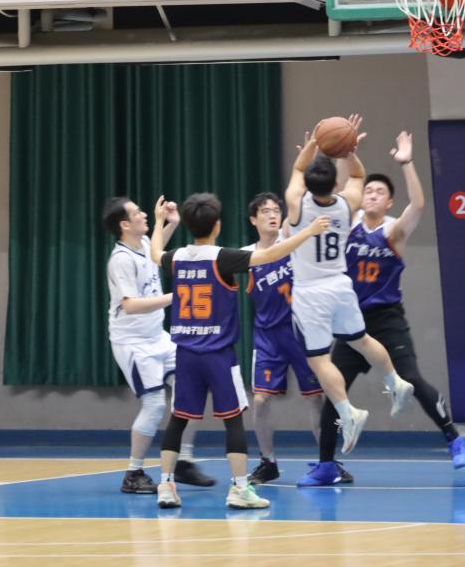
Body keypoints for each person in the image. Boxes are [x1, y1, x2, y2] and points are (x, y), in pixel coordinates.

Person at [304, 131, 465, 487]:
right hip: (352, 321)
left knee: (412, 380)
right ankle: (326, 465)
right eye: (368, 191)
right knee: (334, 390)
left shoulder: (394, 231)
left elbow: (419, 205)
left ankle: (454, 440)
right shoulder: (347, 225)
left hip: (387, 319)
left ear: (390, 201)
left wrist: (406, 163)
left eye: (379, 192)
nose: (371, 195)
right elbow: (344, 186)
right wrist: (345, 153)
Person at [149, 193, 330, 510]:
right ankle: (240, 489)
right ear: (217, 226)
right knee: (233, 421)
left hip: (186, 354)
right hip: (218, 354)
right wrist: (309, 231)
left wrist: (160, 221)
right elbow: (271, 253)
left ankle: (165, 485)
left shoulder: (176, 258)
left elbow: (154, 253)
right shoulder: (223, 257)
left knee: (178, 419)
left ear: (189, 225)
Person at [284, 115, 414, 463]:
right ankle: (394, 381)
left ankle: (348, 410)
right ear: (334, 184)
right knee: (362, 340)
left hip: (311, 292)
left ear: (308, 184)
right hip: (341, 284)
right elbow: (358, 176)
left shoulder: (297, 205)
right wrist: (349, 149)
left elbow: (297, 170)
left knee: (318, 358)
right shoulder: (346, 205)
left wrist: (314, 143)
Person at [102, 196, 214, 494]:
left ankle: (183, 461)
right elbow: (130, 305)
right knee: (154, 405)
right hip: (133, 342)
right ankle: (133, 472)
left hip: (158, 337)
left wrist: (171, 221)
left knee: (192, 389)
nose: (143, 215)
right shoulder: (121, 259)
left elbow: (158, 244)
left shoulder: (142, 244)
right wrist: (174, 297)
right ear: (125, 224)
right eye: (137, 213)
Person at [241, 192, 325, 485]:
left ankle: (328, 462)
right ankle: (268, 462)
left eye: (276, 210)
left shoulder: (291, 242)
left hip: (300, 331)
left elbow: (297, 199)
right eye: (265, 211)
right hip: (268, 337)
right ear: (253, 220)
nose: (272, 215)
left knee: (315, 398)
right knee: (261, 400)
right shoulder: (246, 256)